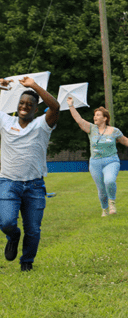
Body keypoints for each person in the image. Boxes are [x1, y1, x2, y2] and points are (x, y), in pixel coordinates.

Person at [0, 76, 59, 272]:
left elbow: (56, 107)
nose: (25, 106)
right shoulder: (5, 121)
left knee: (33, 229)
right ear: (17, 106)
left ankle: (27, 262)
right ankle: (13, 236)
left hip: (34, 185)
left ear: (36, 109)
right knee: (7, 222)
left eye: (30, 104)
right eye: (22, 103)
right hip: (8, 182)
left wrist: (34, 85)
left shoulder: (42, 124)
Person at [67, 97, 128, 217]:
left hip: (111, 161)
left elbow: (125, 141)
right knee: (101, 190)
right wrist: (71, 105)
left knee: (109, 180)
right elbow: (78, 119)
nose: (95, 117)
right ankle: (104, 209)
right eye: (94, 115)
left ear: (105, 118)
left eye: (98, 115)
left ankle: (112, 202)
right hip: (95, 163)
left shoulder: (114, 131)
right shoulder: (91, 129)